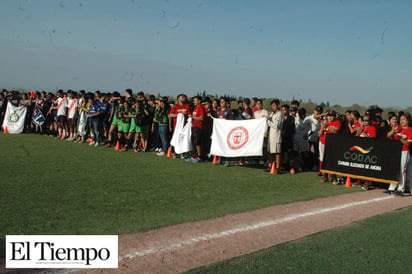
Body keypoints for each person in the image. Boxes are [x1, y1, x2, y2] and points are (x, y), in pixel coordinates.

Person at [387, 113, 412, 196]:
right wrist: (393, 131)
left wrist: (400, 138)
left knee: (402, 170)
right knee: (395, 169)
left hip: (405, 151)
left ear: (408, 120)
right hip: (396, 151)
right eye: (400, 119)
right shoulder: (398, 128)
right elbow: (388, 135)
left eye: (404, 119)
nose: (402, 121)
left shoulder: (410, 130)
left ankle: (401, 188)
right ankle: (392, 187)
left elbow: (408, 143)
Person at [319, 110, 341, 183]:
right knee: (323, 159)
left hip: (331, 143)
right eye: (329, 116)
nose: (330, 118)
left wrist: (328, 126)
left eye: (331, 116)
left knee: (331, 160)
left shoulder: (337, 122)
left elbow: (336, 132)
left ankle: (334, 177)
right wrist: (322, 128)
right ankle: (325, 176)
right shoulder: (324, 123)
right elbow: (319, 135)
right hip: (322, 142)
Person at [267, 99, 284, 174]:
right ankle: (270, 166)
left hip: (276, 135)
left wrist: (268, 121)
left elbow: (277, 125)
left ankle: (278, 168)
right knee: (270, 151)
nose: (273, 107)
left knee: (277, 152)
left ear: (278, 105)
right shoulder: (272, 114)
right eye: (272, 106)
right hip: (271, 135)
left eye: (274, 105)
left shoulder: (280, 114)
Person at [187, 96, 205, 162]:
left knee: (197, 142)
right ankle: (194, 156)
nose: (194, 102)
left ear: (199, 101)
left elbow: (201, 118)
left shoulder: (201, 108)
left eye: (195, 100)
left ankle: (199, 156)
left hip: (199, 127)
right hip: (194, 126)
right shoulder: (195, 108)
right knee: (193, 142)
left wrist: (193, 117)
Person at [281, 104, 296, 174]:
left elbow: (293, 129)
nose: (283, 111)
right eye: (282, 110)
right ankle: (282, 166)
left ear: (287, 110)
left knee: (290, 154)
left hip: (289, 139)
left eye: (285, 110)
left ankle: (292, 168)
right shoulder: (280, 118)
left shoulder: (292, 119)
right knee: (282, 154)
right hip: (281, 138)